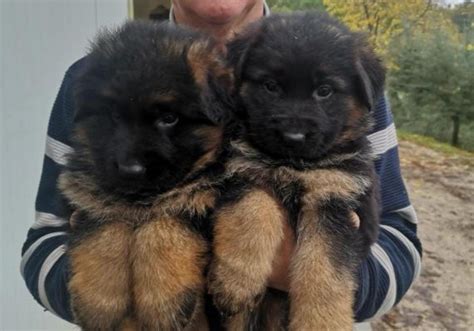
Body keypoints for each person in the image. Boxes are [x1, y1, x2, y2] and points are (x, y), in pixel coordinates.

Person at [21, 0, 422, 328]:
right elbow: (43, 241)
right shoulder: (90, 76)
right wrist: (110, 294)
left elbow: (400, 236)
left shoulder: (343, 74)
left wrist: (316, 281)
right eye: (269, 88)